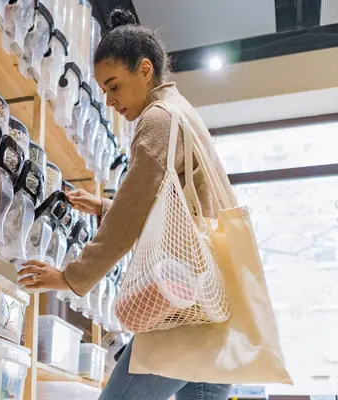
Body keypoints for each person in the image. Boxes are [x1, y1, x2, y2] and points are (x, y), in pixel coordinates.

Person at [17, 7, 238, 400]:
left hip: (182, 307)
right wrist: (104, 206)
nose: (110, 101)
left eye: (114, 86)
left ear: (146, 71)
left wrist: (70, 277)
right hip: (213, 304)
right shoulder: (184, 114)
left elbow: (131, 216)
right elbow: (169, 203)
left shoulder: (158, 120)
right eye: (103, 91)